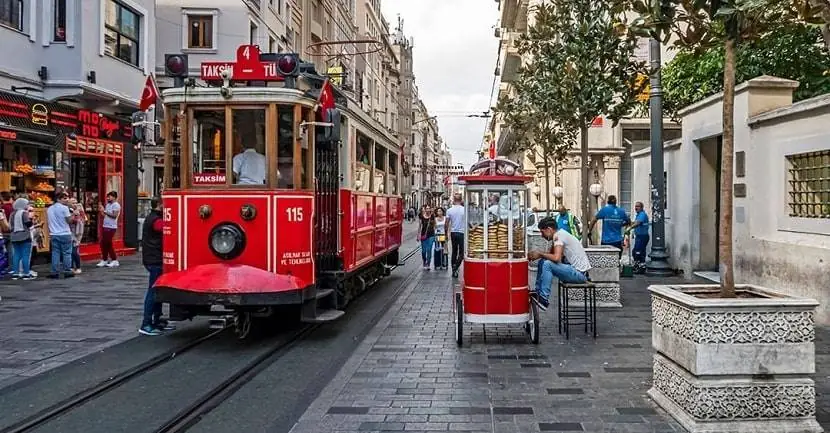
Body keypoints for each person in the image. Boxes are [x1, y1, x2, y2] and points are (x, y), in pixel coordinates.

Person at [528, 216, 592, 311]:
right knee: (543, 261)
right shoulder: (560, 234)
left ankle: (544, 298)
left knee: (547, 264)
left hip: (580, 274)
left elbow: (556, 258)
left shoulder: (558, 236)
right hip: (575, 271)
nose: (542, 235)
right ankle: (538, 292)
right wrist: (539, 255)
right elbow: (550, 256)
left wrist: (540, 253)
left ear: (549, 229)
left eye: (542, 232)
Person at [139, 198, 175, 336]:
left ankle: (157, 320)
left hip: (153, 258)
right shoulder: (155, 220)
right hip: (154, 260)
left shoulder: (153, 217)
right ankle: (146, 323)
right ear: (160, 205)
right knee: (153, 291)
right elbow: (166, 227)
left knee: (157, 290)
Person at [47, 192, 74, 279]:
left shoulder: (49, 209)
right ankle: (67, 271)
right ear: (58, 199)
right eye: (64, 198)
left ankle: (54, 271)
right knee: (67, 253)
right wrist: (74, 214)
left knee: (55, 253)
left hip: (54, 233)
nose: (66, 200)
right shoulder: (64, 208)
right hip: (64, 233)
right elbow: (69, 221)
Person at [8, 198, 34, 280]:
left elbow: (10, 225)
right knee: (25, 255)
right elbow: (28, 224)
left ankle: (16, 273)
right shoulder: (24, 213)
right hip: (24, 236)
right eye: (27, 204)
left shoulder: (12, 214)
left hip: (14, 236)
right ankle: (26, 273)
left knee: (16, 255)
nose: (28, 205)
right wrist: (31, 218)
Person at [98, 191, 121, 267]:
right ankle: (105, 259)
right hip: (106, 225)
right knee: (103, 243)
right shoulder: (108, 205)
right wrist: (102, 210)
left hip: (111, 226)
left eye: (109, 197)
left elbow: (114, 215)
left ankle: (114, 259)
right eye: (107, 197)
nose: (108, 198)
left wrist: (105, 211)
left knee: (107, 243)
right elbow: (105, 215)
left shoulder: (116, 205)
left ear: (114, 197)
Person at [445, 193, 465, 278]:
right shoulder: (464, 210)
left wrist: (446, 233)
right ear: (461, 200)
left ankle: (454, 267)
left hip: (453, 232)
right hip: (462, 233)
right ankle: (456, 266)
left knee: (454, 251)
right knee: (462, 252)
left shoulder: (449, 210)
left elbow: (446, 224)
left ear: (454, 200)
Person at [628, 201, 650, 274]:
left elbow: (637, 223)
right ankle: (641, 266)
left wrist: (630, 228)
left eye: (638, 206)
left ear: (641, 207)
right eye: (635, 206)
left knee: (637, 252)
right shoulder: (639, 215)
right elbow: (635, 223)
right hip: (639, 236)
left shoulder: (642, 214)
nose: (636, 208)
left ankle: (639, 267)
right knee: (639, 252)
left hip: (642, 237)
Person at [69, 198, 86, 274]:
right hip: (69, 231)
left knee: (74, 250)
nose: (74, 204)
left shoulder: (80, 210)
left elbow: (84, 219)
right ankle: (71, 267)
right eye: (72, 202)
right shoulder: (67, 210)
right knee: (69, 251)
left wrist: (78, 215)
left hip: (77, 232)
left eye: (75, 202)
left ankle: (78, 267)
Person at [418, 205, 435, 270]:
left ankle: (428, 264)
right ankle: (424, 262)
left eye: (429, 208)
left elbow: (435, 225)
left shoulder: (432, 216)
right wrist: (418, 235)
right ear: (424, 209)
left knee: (429, 249)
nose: (428, 210)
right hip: (423, 235)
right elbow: (420, 226)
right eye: (426, 208)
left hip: (431, 235)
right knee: (423, 251)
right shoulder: (421, 216)